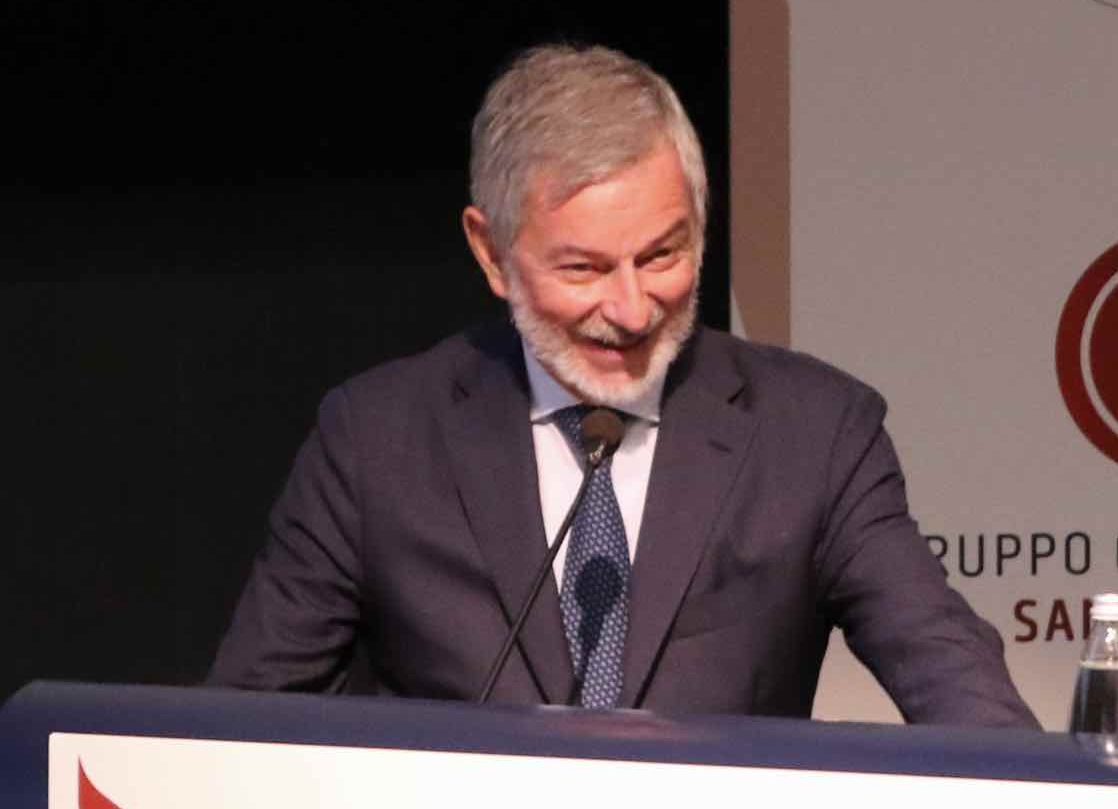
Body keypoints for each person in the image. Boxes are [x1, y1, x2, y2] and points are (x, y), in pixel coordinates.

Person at [208, 44, 1038, 727]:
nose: (634, 308)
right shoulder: (376, 441)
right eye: (584, 268)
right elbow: (242, 731)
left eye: (663, 254)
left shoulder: (816, 435)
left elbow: (957, 684)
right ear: (491, 253)